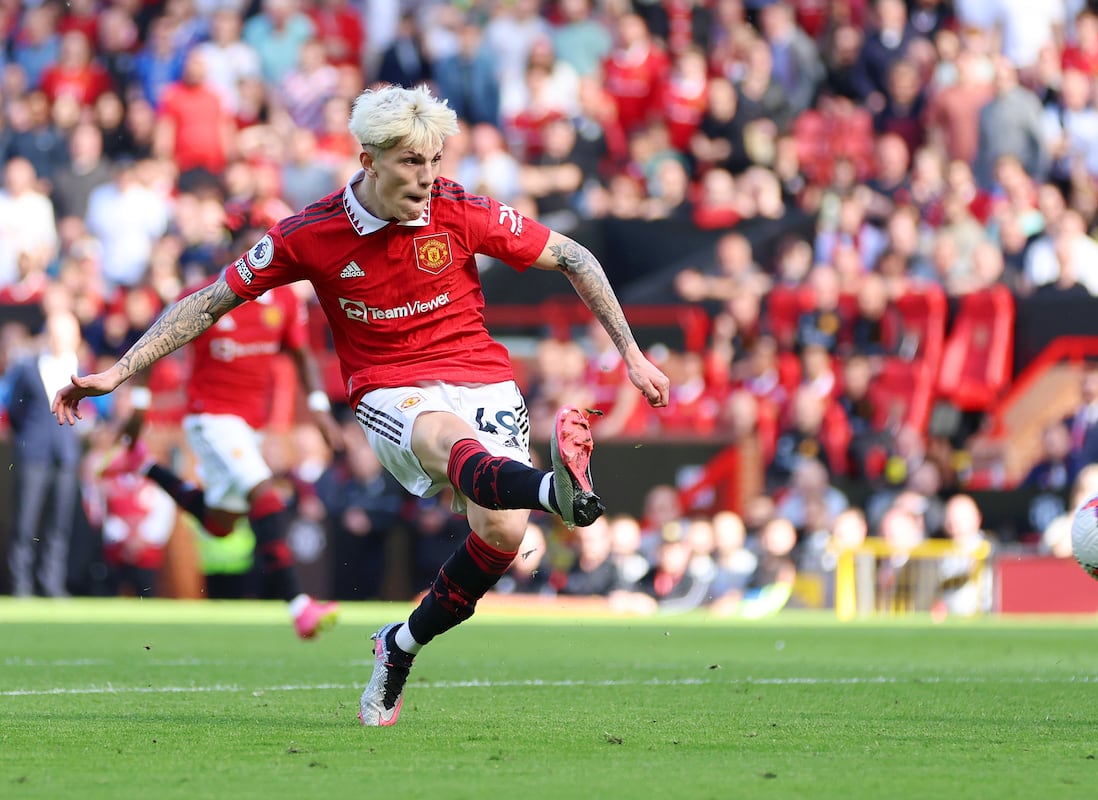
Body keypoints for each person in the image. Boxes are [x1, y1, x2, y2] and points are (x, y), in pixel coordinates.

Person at [53, 84, 672, 727]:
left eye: (434, 161)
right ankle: (555, 492)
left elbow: (572, 254)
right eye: (410, 162)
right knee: (448, 438)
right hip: (388, 385)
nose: (427, 177)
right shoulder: (309, 233)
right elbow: (210, 301)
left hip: (481, 375)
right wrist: (119, 371)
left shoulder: (462, 210)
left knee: (503, 534)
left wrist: (629, 352)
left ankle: (398, 644)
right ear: (368, 160)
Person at [119, 257, 344, 639]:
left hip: (247, 425)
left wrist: (320, 409)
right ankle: (298, 604)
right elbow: (156, 338)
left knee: (220, 524)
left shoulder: (285, 301)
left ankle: (144, 466)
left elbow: (302, 355)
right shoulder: (205, 294)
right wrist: (140, 401)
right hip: (209, 417)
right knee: (266, 494)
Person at [6, 313, 84, 598]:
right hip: (34, 454)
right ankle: (21, 585)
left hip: (65, 455)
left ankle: (52, 583)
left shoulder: (80, 367)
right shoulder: (27, 367)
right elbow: (15, 409)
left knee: (59, 524)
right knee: (25, 521)